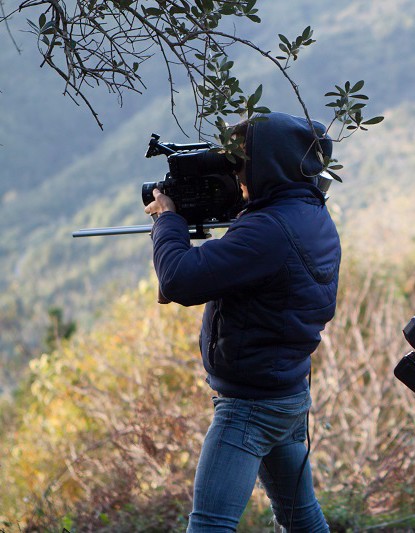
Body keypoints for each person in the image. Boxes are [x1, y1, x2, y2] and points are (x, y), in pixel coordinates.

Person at [143, 112, 338, 532]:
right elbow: (233, 277)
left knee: (210, 525)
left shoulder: (268, 231)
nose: (235, 176)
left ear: (267, 166)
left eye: (238, 164)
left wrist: (167, 220)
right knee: (301, 518)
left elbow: (177, 280)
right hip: (286, 393)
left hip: (250, 407)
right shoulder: (307, 213)